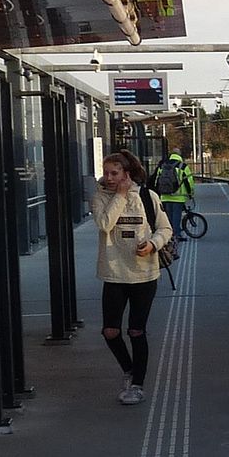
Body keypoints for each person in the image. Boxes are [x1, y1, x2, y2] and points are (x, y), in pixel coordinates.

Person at [91, 150, 168, 406]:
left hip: (144, 274)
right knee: (110, 331)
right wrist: (120, 196)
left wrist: (153, 244)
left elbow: (165, 228)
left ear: (127, 173)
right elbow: (105, 224)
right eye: (107, 172)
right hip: (114, 274)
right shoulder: (100, 198)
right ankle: (129, 369)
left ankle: (137, 384)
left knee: (136, 330)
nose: (109, 178)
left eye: (115, 173)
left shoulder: (148, 196)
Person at [154, 148, 195, 240]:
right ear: (180, 156)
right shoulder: (183, 166)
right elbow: (189, 181)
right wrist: (190, 193)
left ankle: (168, 235)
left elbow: (157, 180)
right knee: (176, 216)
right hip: (178, 197)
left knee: (168, 217)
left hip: (165, 196)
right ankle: (176, 235)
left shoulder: (163, 165)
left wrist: (158, 193)